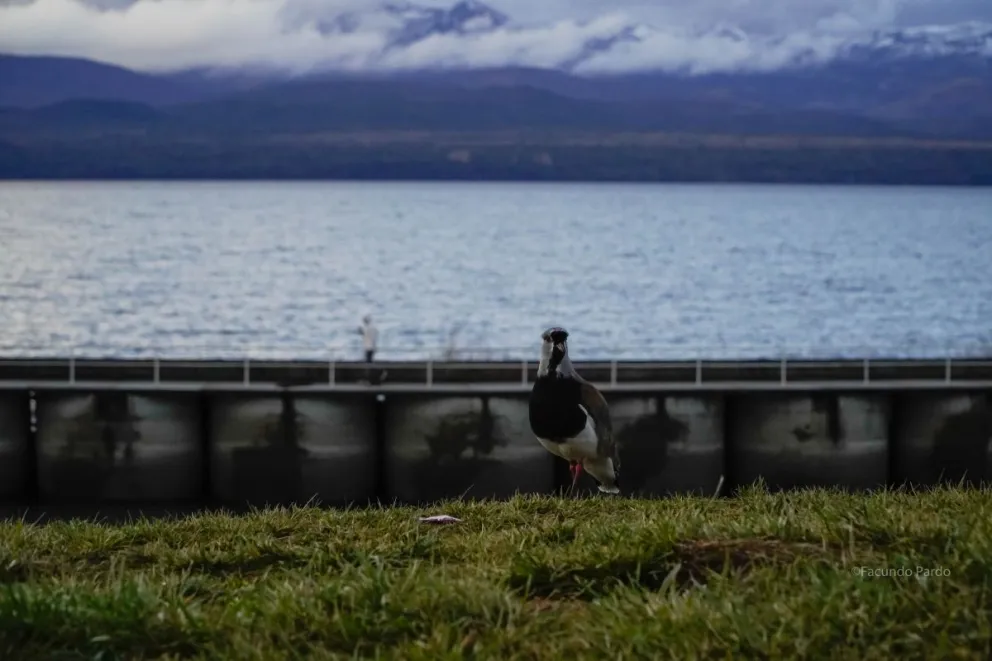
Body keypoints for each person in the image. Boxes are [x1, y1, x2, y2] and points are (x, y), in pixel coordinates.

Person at [357, 315, 386, 384]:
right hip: (371, 347)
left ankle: (378, 374)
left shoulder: (369, 328)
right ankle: (371, 378)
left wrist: (361, 331)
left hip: (368, 348)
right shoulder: (373, 328)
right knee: (369, 364)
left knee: (369, 364)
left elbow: (364, 333)